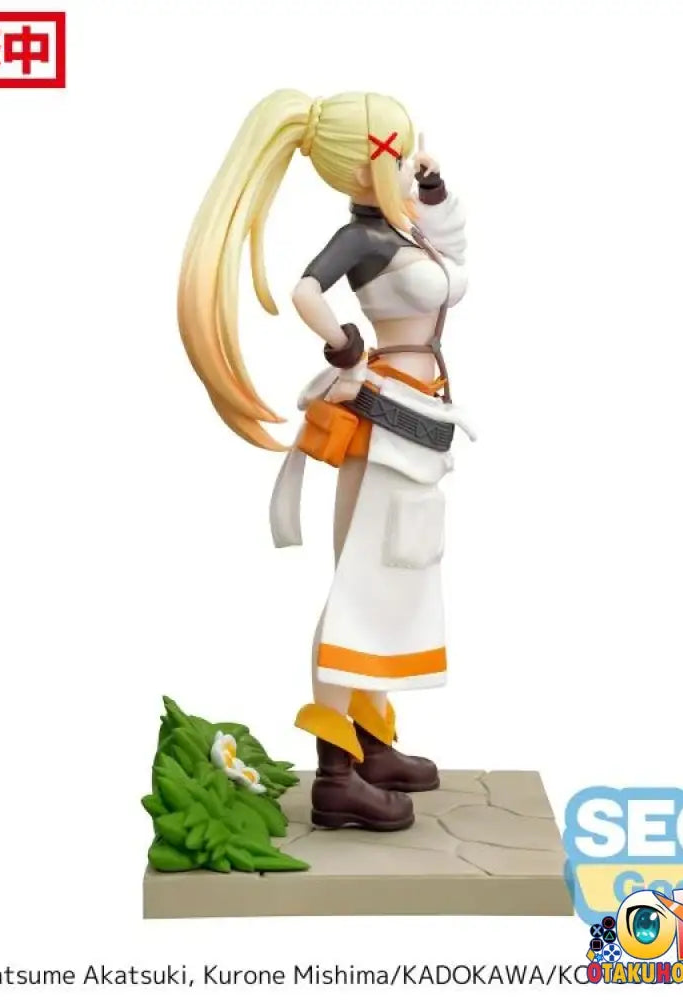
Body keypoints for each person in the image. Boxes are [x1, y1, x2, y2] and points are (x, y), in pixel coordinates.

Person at [178, 90, 471, 832]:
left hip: (419, 421)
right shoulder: (364, 239)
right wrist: (342, 343)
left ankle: (371, 743)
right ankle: (336, 775)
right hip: (388, 421)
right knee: (361, 588)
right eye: (399, 150)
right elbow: (306, 289)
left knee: (393, 580)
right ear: (369, 163)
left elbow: (455, 265)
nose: (412, 159)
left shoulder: (404, 229)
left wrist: (433, 190)